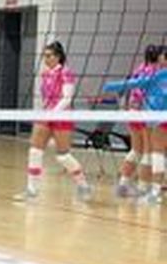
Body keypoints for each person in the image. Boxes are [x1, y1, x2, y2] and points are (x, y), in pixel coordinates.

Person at [17, 40, 93, 203]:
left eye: (49, 56)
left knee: (63, 156)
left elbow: (67, 98)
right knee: (35, 151)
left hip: (61, 116)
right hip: (47, 114)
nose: (46, 59)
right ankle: (32, 190)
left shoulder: (65, 72)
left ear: (58, 57)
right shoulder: (46, 74)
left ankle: (83, 186)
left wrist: (53, 113)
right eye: (44, 56)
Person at [102, 48, 167, 205]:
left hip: (144, 114)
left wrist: (110, 86)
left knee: (143, 151)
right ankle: (147, 189)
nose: (160, 60)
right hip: (150, 116)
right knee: (151, 152)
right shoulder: (155, 73)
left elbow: (132, 84)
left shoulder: (145, 70)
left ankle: (132, 186)